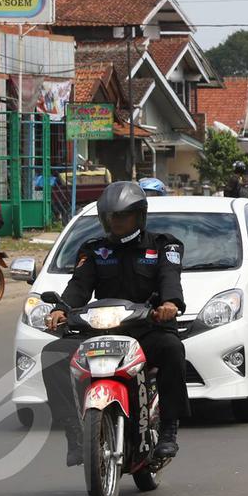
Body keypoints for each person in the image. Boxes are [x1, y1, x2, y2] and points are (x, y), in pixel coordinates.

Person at [44, 181, 188, 465]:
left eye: (122, 216)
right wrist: (61, 309)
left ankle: (169, 429)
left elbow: (170, 277)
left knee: (172, 349)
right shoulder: (94, 250)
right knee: (52, 354)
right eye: (111, 216)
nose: (116, 222)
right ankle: (74, 433)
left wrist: (169, 305)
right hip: (103, 331)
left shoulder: (163, 245)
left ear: (139, 216)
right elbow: (79, 286)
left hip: (146, 328)